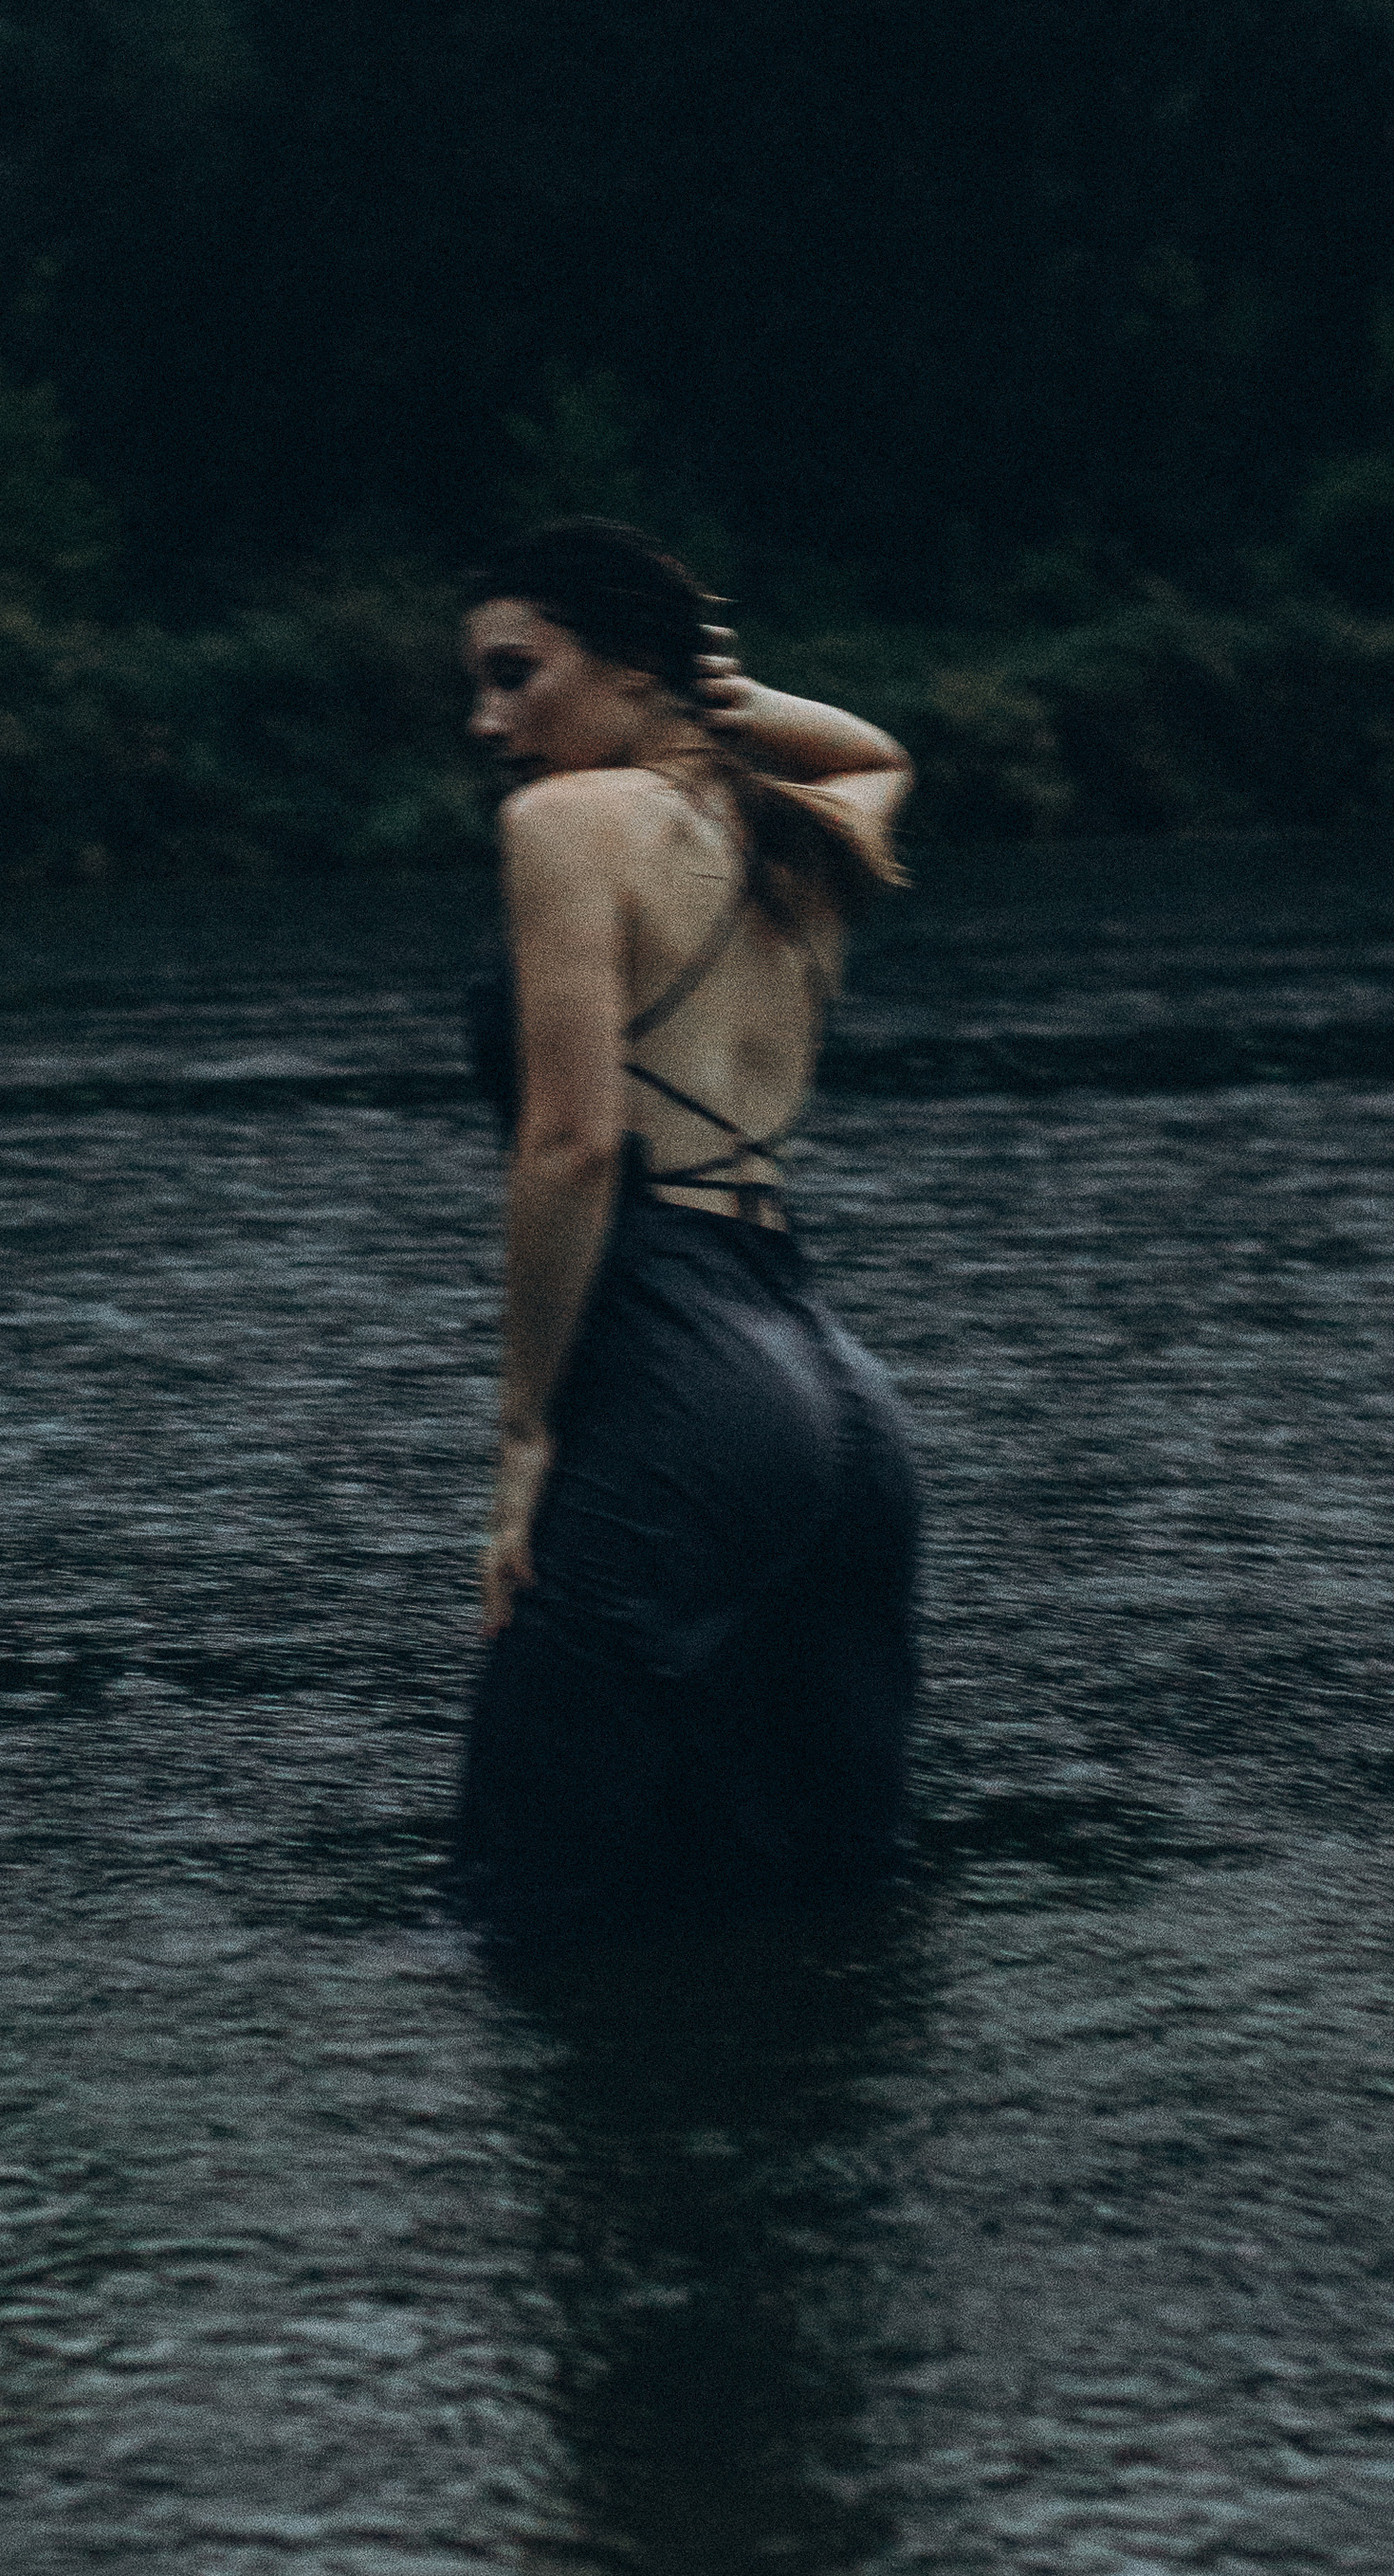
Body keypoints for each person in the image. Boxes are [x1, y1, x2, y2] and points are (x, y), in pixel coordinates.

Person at [449, 518, 922, 1947]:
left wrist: (525, 1436)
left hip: (677, 1375)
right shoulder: (805, 833)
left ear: (634, 664)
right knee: (818, 1902)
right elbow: (879, 756)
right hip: (839, 1395)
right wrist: (739, 707)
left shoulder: (567, 826)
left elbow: (575, 1142)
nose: (490, 721)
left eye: (518, 673)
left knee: (515, 1908)